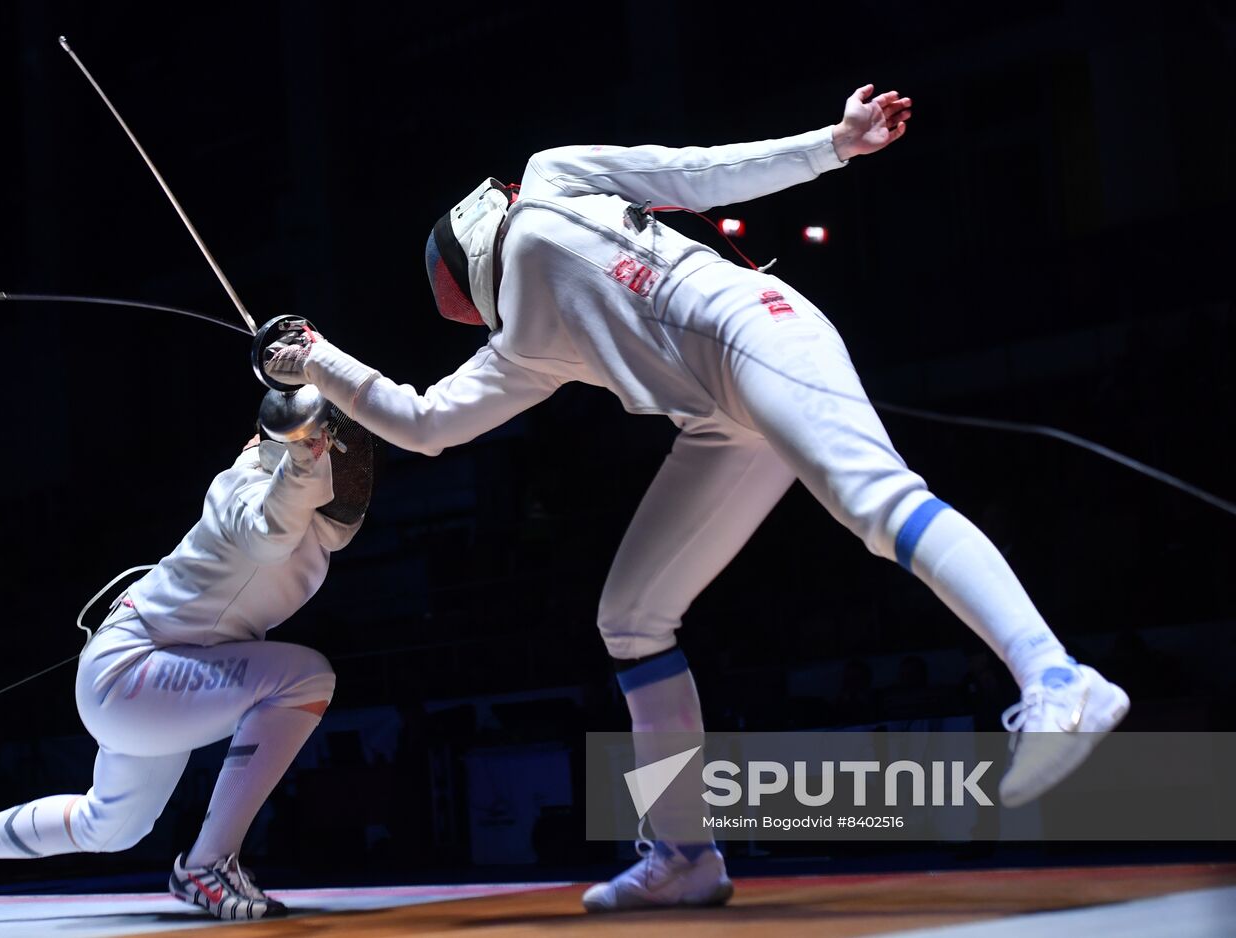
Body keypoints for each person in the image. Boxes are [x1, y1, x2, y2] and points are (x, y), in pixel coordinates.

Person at [264, 84, 1129, 911]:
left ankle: (1057, 676)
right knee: (632, 617)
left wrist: (831, 147)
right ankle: (683, 854)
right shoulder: (524, 339)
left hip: (758, 331)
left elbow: (693, 173)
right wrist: (317, 360)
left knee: (875, 502)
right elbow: (423, 422)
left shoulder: (550, 203)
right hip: (722, 417)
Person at [0, 393, 367, 923]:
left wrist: (305, 444)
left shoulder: (312, 531)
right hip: (132, 669)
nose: (338, 457)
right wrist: (302, 453)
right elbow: (267, 536)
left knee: (113, 824)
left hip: (166, 678)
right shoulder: (242, 485)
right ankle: (207, 865)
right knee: (304, 678)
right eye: (320, 443)